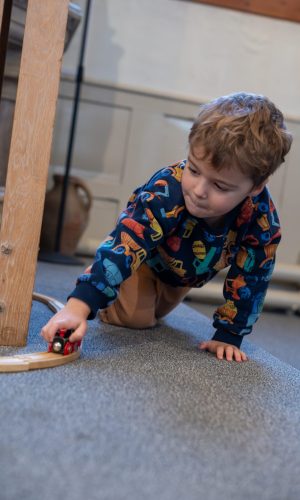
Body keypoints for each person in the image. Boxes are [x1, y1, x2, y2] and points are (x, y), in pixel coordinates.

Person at [41, 92, 292, 362]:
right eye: (194, 170)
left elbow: (252, 278)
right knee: (136, 319)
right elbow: (129, 242)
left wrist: (229, 335)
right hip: (143, 259)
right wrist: (78, 307)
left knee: (153, 316)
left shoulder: (262, 222)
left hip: (183, 275)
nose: (198, 190)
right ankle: (103, 280)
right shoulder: (167, 189)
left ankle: (140, 296)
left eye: (219, 186)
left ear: (255, 187)